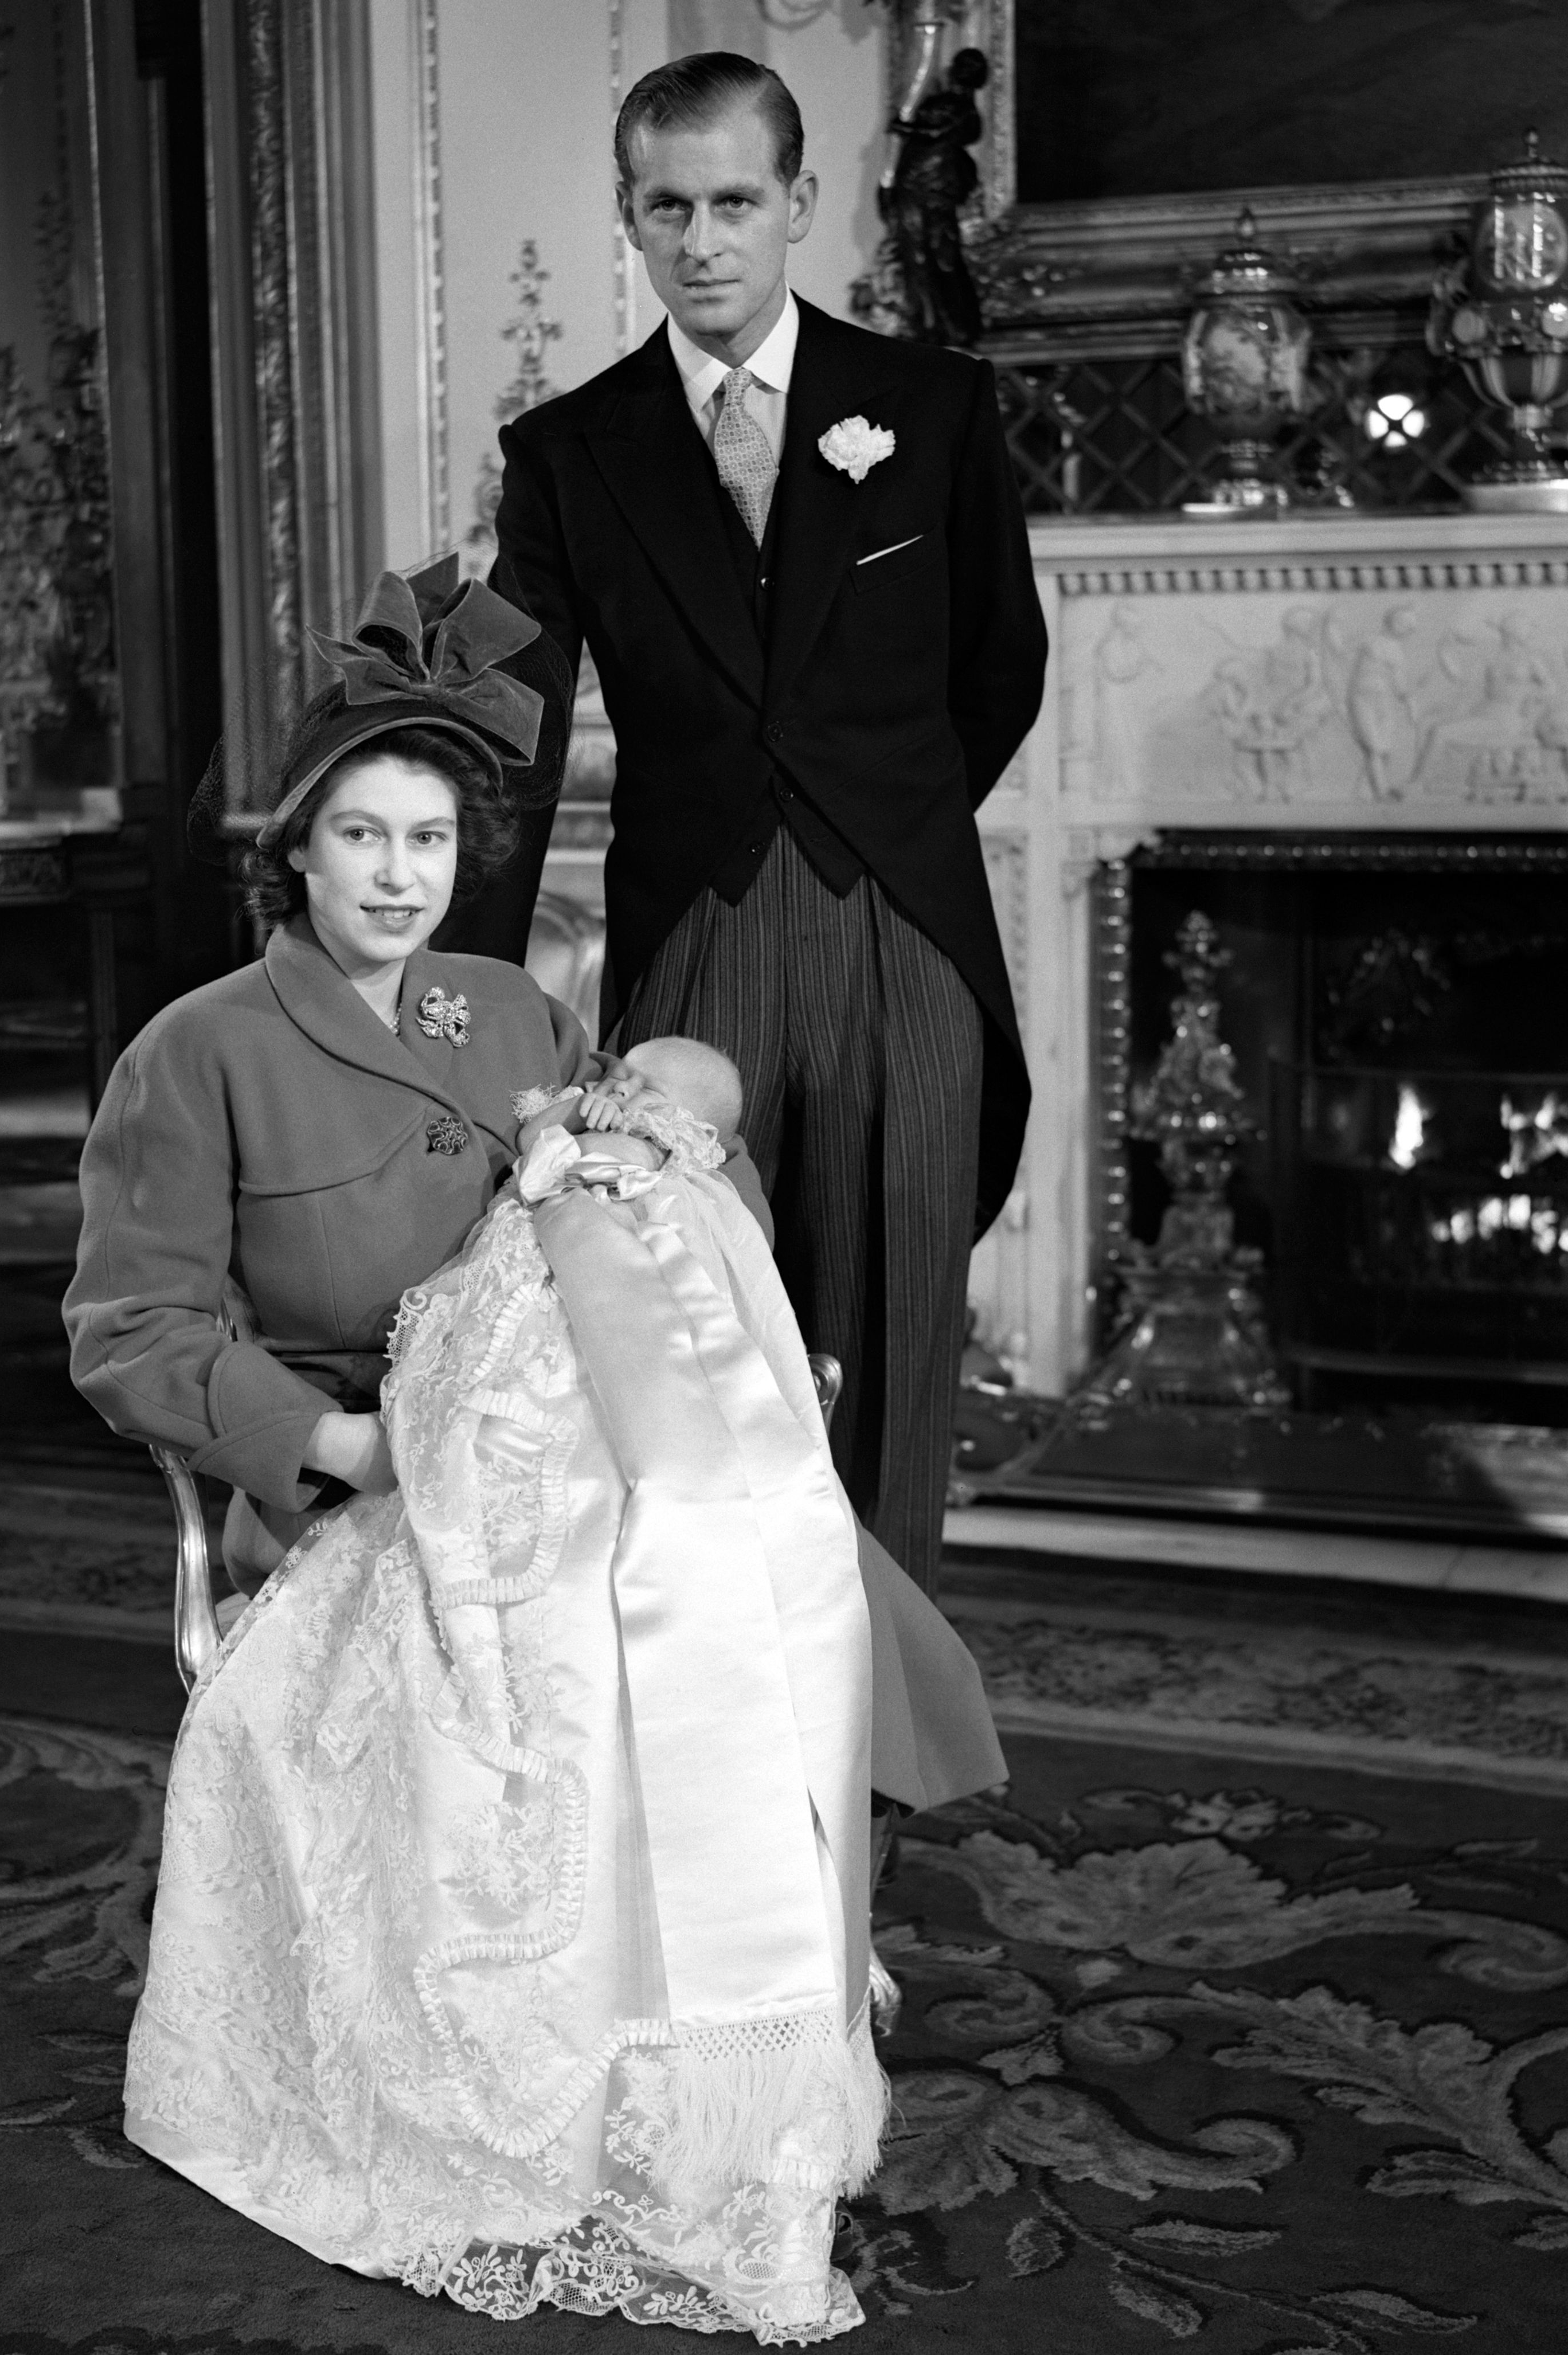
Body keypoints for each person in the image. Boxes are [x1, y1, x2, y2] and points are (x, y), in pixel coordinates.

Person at [65, 559, 1004, 2338]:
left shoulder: (510, 1006)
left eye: (429, 837)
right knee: (581, 1647)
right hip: (373, 1488)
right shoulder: (198, 1055)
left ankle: (694, 2076)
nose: (402, 873)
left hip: (571, 1440)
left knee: (732, 1586)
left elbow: (645, 1202)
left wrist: (666, 1143)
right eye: (361, 836)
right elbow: (134, 1330)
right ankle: (530, 2102)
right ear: (297, 851)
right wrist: (330, 1437)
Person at [491, 51, 1048, 1596]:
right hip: (691, 951)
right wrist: (459, 991)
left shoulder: (931, 409)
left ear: (798, 204)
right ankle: (733, 1746)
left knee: (891, 1368)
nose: (704, 238)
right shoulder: (566, 454)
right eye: (668, 206)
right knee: (693, 1361)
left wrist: (892, 821)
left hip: (901, 939)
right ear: (631, 219)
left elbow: (1000, 663)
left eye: (737, 200)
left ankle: (877, 1769)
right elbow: (515, 728)